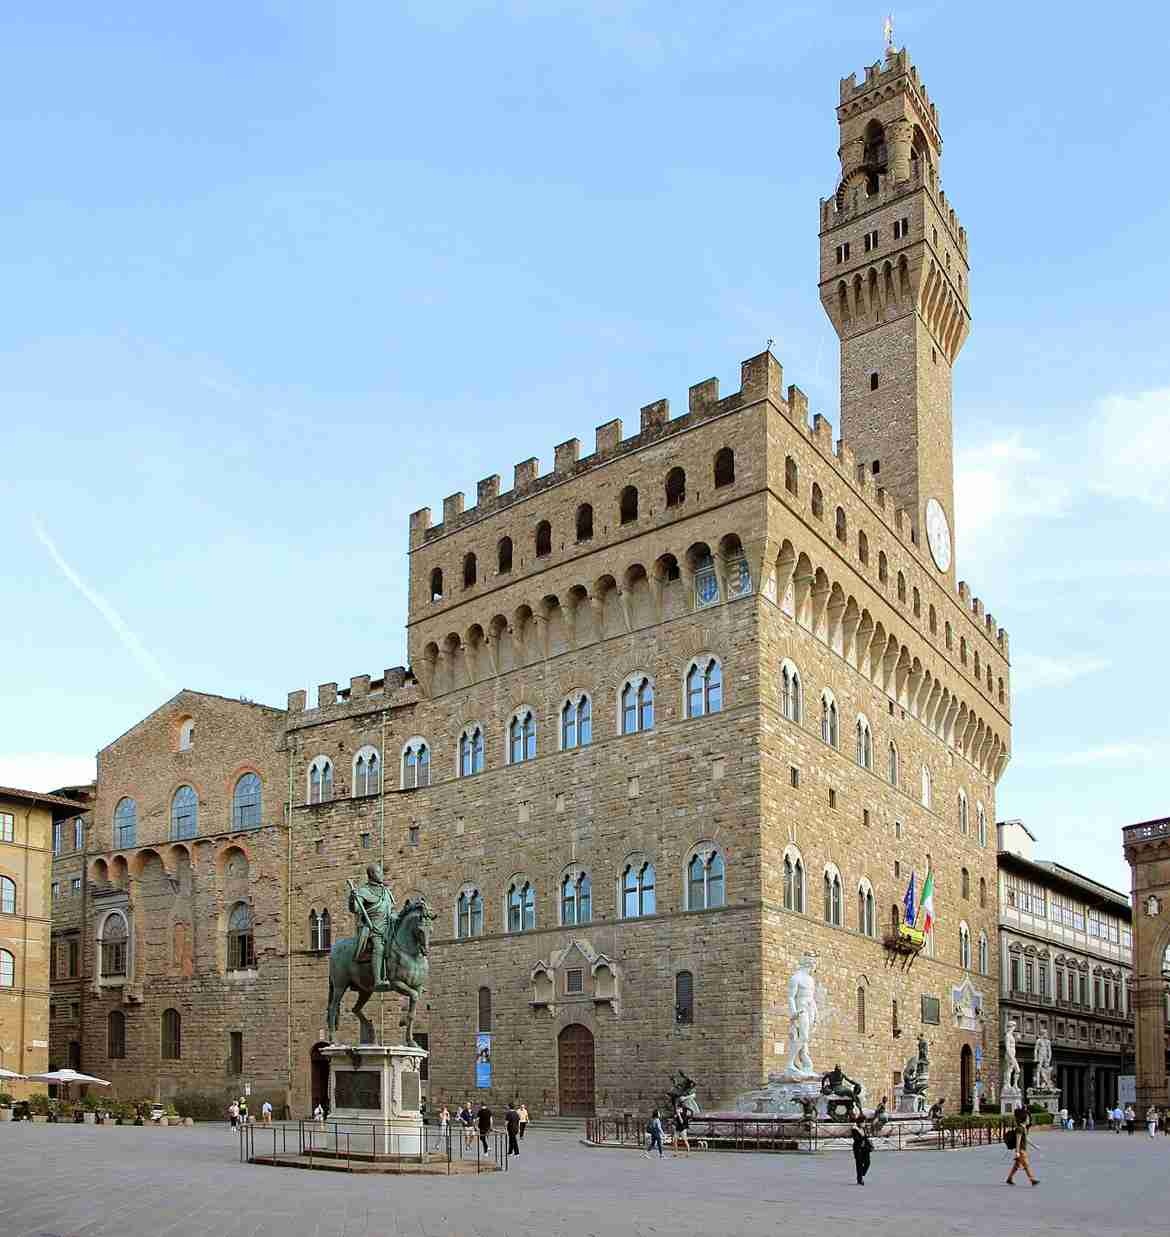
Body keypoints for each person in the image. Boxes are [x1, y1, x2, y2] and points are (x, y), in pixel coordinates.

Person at [1006, 1106, 1038, 1187]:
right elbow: (1018, 1141)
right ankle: (1032, 1180)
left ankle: (1009, 1178)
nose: (1029, 1120)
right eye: (1028, 1118)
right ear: (1023, 1119)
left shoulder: (1024, 1128)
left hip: (1023, 1149)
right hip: (1021, 1150)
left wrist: (1034, 1145)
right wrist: (1017, 1152)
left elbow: (1026, 1139)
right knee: (1026, 1165)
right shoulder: (1019, 1129)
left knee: (1016, 1166)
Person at [850, 1116, 872, 1185]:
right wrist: (863, 1138)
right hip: (858, 1149)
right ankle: (859, 1179)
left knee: (867, 1162)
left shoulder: (863, 1128)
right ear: (859, 1122)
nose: (864, 1123)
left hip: (865, 1148)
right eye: (863, 1122)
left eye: (865, 1122)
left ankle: (862, 1173)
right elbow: (856, 1139)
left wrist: (869, 1144)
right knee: (859, 1164)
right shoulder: (854, 1129)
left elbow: (866, 1138)